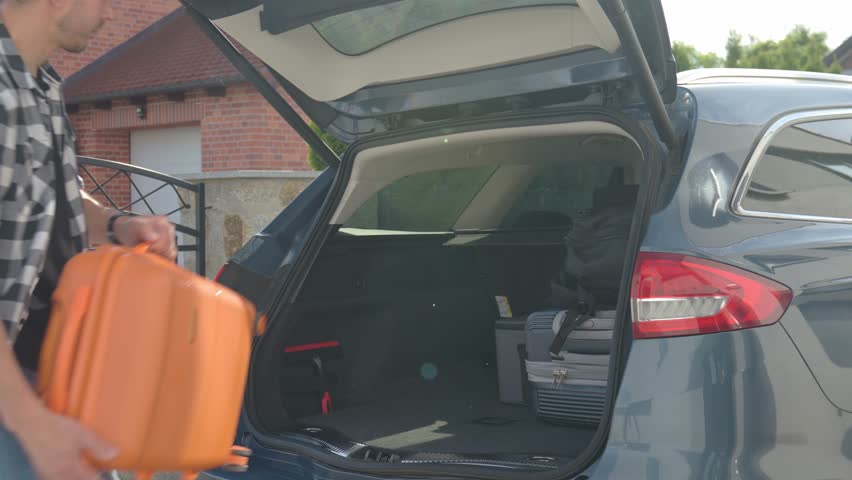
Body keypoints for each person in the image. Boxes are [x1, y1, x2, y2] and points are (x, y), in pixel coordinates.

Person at [0, 0, 178, 479]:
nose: (112, 15)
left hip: (55, 372)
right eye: (105, 0)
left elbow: (59, 192)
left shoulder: (44, 84)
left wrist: (121, 226)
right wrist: (34, 427)